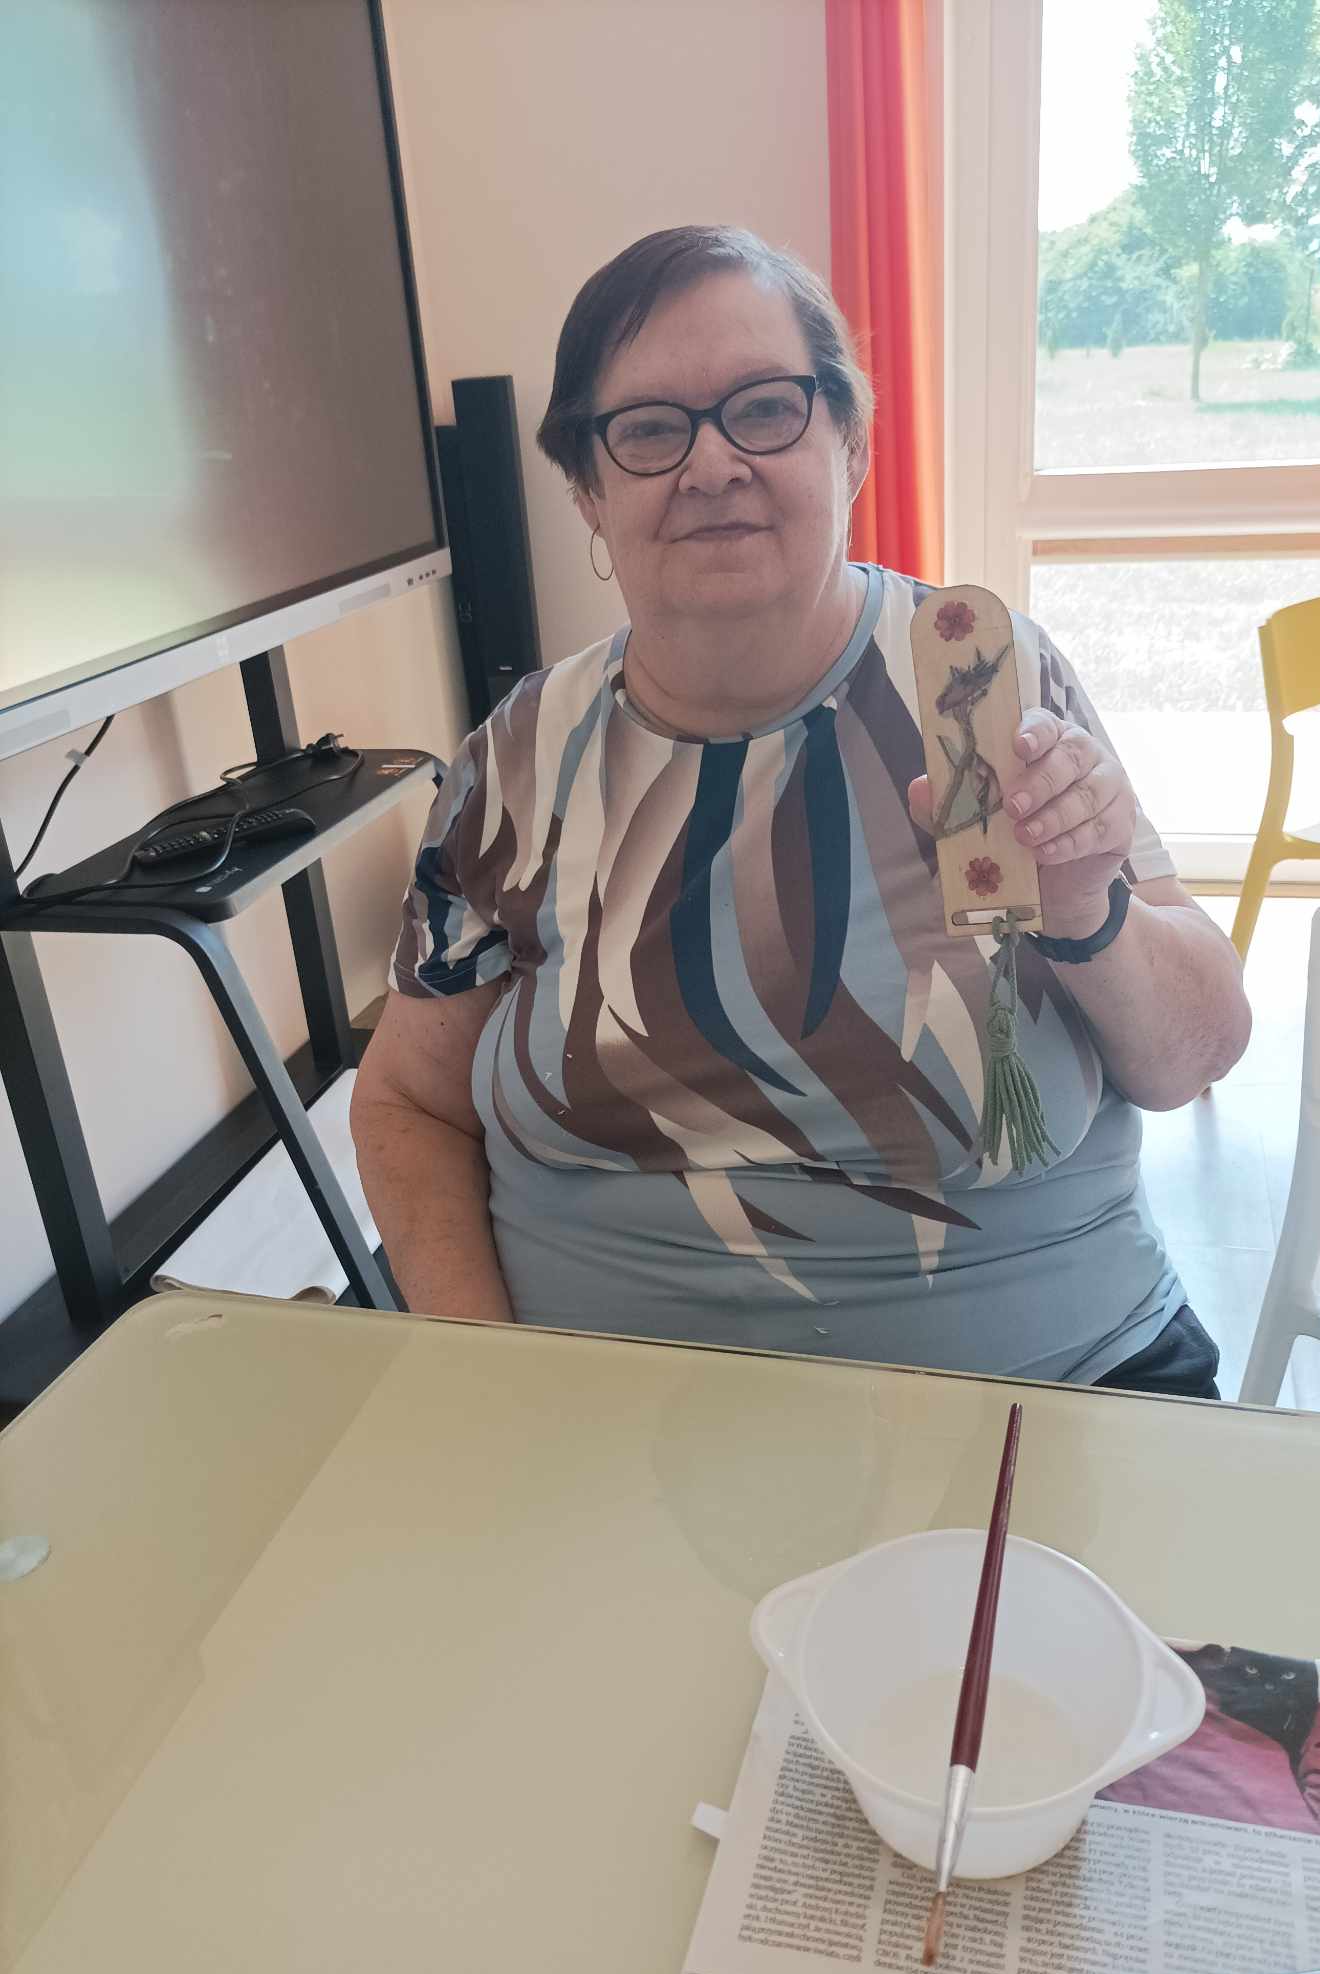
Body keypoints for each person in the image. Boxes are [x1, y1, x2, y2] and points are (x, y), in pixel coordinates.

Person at [352, 225, 1251, 1391]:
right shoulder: (513, 762)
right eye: (650, 429)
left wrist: (1089, 911)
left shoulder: (981, 681)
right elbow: (408, 1102)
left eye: (765, 409)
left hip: (1052, 1386)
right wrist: (489, 1375)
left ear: (850, 443)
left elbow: (1194, 1055)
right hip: (602, 1418)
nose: (711, 463)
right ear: (587, 489)